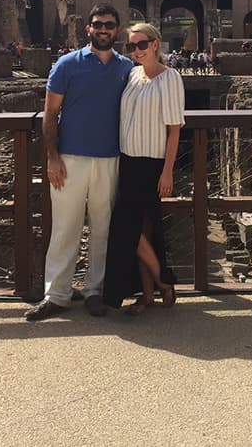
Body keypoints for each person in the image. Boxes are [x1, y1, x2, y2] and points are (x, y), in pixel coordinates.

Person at [25, 4, 134, 321]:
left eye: (109, 25)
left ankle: (94, 291)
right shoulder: (67, 64)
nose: (103, 30)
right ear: (88, 29)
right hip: (70, 159)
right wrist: (52, 156)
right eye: (98, 24)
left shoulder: (126, 68)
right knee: (65, 227)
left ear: (117, 30)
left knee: (103, 229)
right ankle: (56, 295)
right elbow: (50, 114)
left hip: (110, 159)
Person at [103, 22, 185, 315]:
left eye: (141, 44)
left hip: (150, 165)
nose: (136, 51)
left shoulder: (170, 77)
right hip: (127, 161)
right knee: (143, 231)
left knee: (128, 229)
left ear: (155, 44)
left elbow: (174, 130)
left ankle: (164, 279)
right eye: (131, 46)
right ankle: (147, 294)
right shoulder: (133, 74)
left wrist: (167, 171)